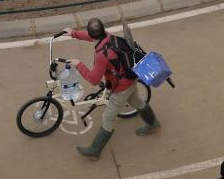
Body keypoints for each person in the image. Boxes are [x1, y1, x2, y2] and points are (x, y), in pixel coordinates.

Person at [58, 19, 159, 159]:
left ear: (92, 34)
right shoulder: (109, 36)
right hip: (131, 76)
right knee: (136, 100)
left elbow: (94, 79)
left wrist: (79, 64)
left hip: (121, 86)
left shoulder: (101, 56)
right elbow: (91, 36)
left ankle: (95, 150)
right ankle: (153, 124)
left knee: (107, 117)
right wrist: (73, 33)